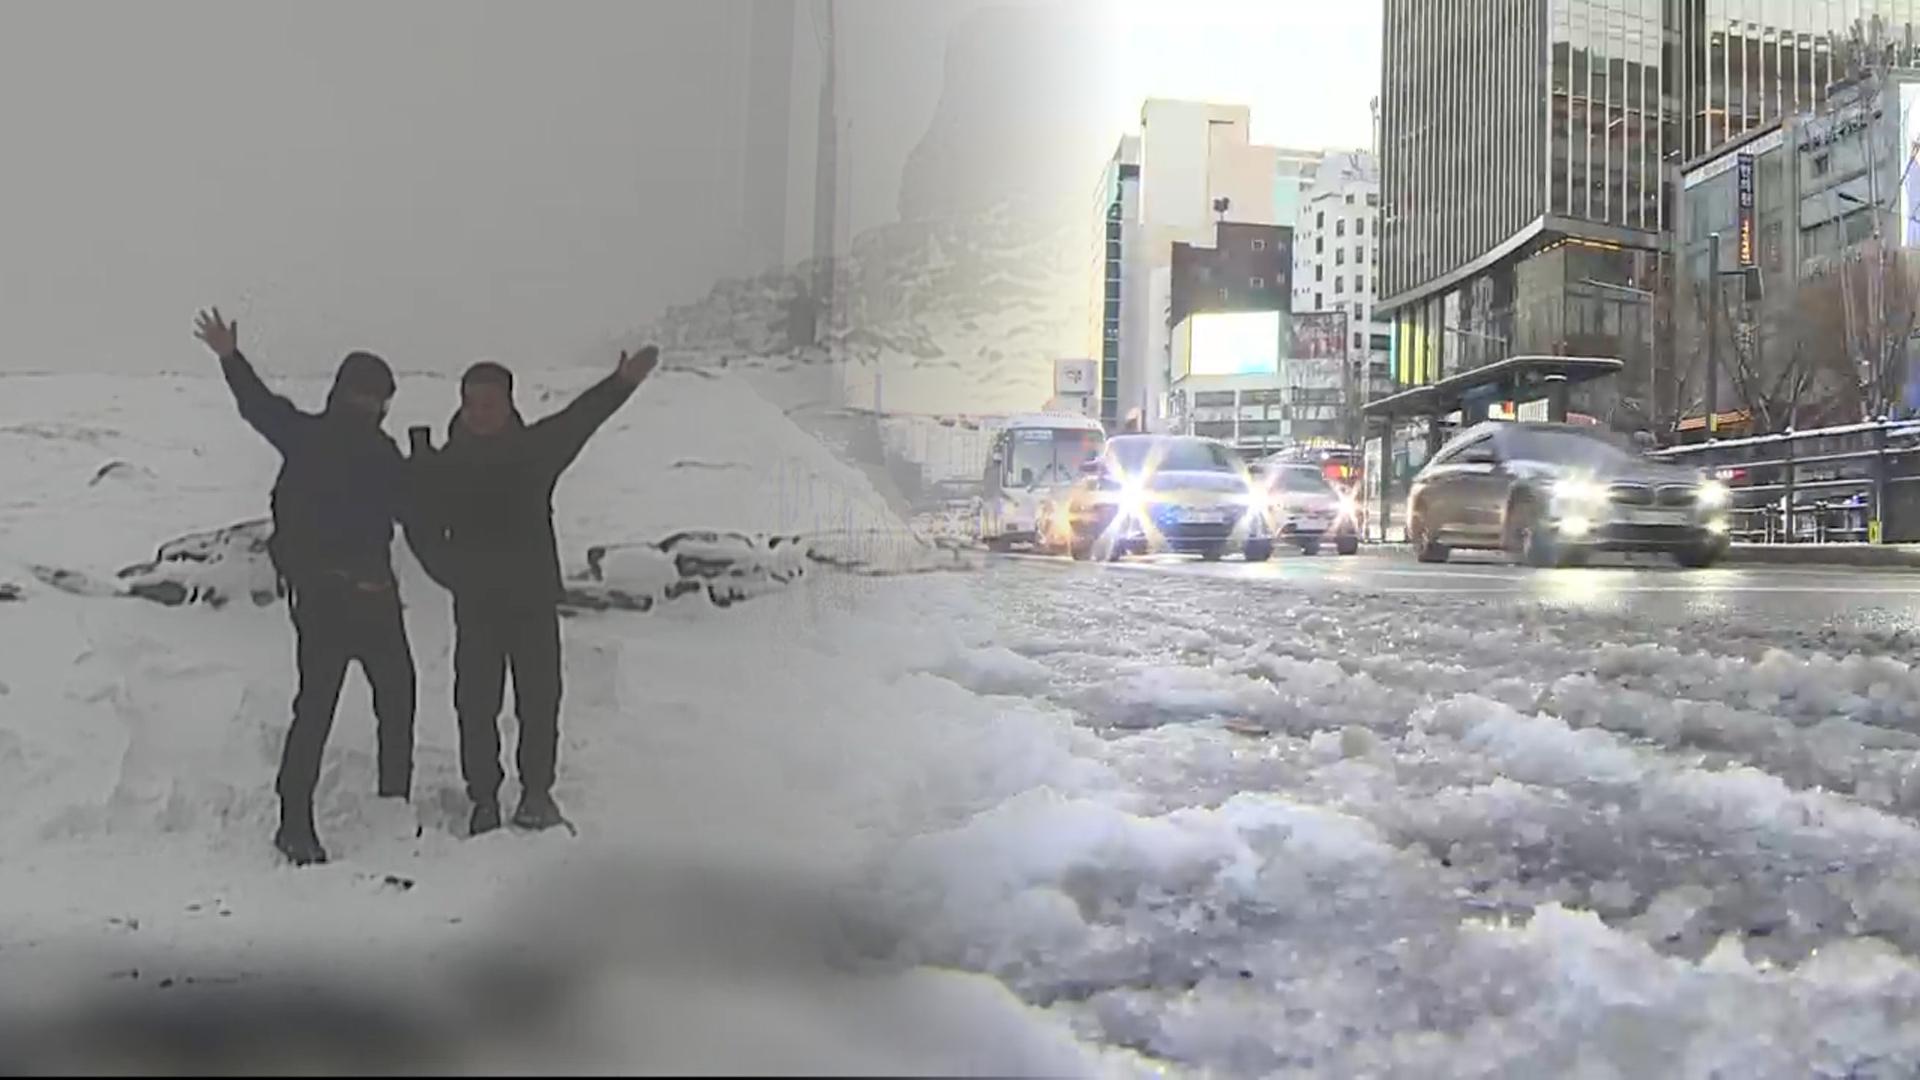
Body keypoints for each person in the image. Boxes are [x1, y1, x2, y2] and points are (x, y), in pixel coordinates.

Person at [194, 308, 443, 866]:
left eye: (378, 396)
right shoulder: (307, 436)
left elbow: (412, 512)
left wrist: (427, 470)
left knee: (397, 700)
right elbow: (258, 406)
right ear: (343, 391)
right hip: (326, 600)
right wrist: (230, 358)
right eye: (362, 393)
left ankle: (392, 807)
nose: (369, 404)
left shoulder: (382, 453)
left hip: (377, 597)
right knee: (317, 710)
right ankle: (294, 821)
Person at [415, 346, 658, 836]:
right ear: (462, 404)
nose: (481, 412)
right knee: (476, 704)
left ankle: (536, 793)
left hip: (531, 601)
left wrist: (623, 381)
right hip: (478, 604)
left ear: (509, 403)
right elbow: (422, 533)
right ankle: (483, 797)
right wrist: (455, 575)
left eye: (491, 403)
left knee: (540, 699)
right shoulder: (443, 465)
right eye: (473, 403)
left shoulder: (535, 450)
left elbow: (581, 418)